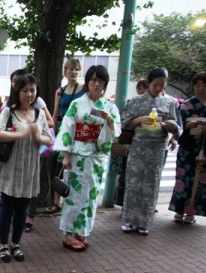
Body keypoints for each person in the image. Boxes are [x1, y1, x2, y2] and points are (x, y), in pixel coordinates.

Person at [53, 65, 121, 251]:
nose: (96, 84)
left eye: (100, 81)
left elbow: (115, 131)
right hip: (78, 155)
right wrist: (65, 154)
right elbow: (67, 128)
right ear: (88, 82)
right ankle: (68, 234)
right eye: (93, 80)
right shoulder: (77, 103)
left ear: (105, 84)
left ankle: (82, 230)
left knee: (91, 195)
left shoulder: (110, 107)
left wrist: (108, 121)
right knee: (74, 195)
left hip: (97, 156)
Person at [0, 75, 51, 262]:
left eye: (32, 90)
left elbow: (48, 139)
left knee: (22, 210)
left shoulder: (40, 113)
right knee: (8, 208)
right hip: (11, 166)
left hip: (30, 167)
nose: (29, 94)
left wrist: (36, 137)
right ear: (17, 92)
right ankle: (3, 245)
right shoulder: (8, 112)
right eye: (25, 90)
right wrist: (22, 134)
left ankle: (16, 244)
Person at [121, 67, 182, 235]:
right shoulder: (135, 101)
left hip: (157, 147)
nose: (159, 88)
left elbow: (178, 126)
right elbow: (124, 121)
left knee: (151, 184)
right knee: (133, 182)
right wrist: (138, 120)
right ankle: (128, 220)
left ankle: (144, 222)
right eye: (156, 84)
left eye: (162, 85)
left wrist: (170, 127)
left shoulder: (171, 102)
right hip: (138, 145)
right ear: (149, 83)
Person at [169, 71, 206, 223]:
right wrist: (187, 125)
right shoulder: (186, 104)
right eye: (197, 85)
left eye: (205, 86)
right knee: (183, 177)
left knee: (203, 180)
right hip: (188, 147)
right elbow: (177, 125)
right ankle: (179, 210)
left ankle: (192, 212)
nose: (201, 89)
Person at [46, 59, 86, 216]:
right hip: (63, 132)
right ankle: (57, 202)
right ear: (65, 71)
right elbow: (55, 113)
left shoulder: (83, 90)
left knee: (75, 167)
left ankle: (75, 200)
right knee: (58, 168)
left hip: (77, 131)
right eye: (70, 69)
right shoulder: (60, 91)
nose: (73, 72)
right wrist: (53, 134)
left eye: (76, 69)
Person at [115, 78, 150, 207]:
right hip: (132, 144)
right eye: (140, 88)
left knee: (146, 177)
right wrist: (138, 120)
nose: (142, 91)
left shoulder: (163, 103)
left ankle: (145, 203)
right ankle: (124, 203)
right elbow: (123, 123)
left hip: (151, 147)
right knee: (127, 174)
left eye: (145, 88)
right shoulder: (133, 103)